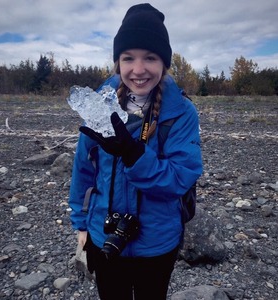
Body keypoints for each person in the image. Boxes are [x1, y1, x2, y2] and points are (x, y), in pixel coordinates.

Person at [69, 3, 203, 300]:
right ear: (118, 62)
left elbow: (181, 179)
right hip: (103, 236)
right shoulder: (98, 108)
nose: (138, 70)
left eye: (150, 58)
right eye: (128, 58)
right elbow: (83, 171)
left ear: (164, 63)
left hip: (157, 242)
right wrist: (81, 225)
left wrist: (134, 155)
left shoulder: (181, 113)